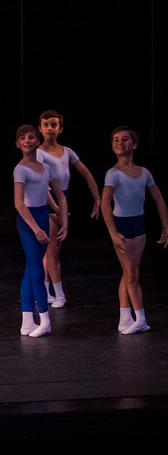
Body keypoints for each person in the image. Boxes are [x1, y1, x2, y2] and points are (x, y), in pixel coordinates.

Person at [101, 126, 165, 333]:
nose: (120, 143)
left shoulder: (144, 173)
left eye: (125, 140)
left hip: (139, 225)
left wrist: (166, 227)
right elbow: (105, 204)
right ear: (112, 147)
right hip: (121, 227)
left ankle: (125, 318)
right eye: (116, 140)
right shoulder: (113, 174)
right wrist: (112, 233)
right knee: (131, 274)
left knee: (131, 273)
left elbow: (159, 199)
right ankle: (141, 319)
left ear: (134, 144)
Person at [36, 111, 101, 309]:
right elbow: (41, 183)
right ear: (40, 128)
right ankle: (60, 294)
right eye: (46, 125)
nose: (50, 128)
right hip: (47, 199)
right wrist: (56, 208)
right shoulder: (39, 153)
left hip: (63, 197)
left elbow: (87, 174)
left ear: (60, 129)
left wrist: (97, 199)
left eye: (54, 125)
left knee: (53, 249)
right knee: (53, 248)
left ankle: (46, 289)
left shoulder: (67, 151)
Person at [12, 125, 63, 337]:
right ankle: (45, 319)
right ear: (17, 144)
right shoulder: (20, 169)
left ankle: (27, 321)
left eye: (31, 137)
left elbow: (56, 194)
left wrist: (62, 217)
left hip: (43, 216)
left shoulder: (45, 167)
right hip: (28, 221)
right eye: (22, 138)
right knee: (37, 269)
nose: (27, 141)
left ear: (37, 139)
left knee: (30, 271)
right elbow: (19, 204)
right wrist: (37, 229)